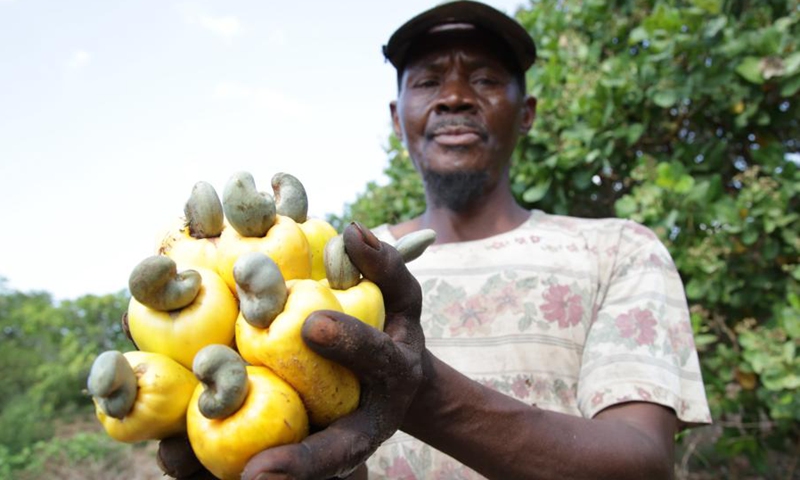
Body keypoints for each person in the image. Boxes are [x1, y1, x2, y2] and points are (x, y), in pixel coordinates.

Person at [162, 2, 712, 479]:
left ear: (526, 115)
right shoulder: (333, 266)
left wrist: (422, 394)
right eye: (428, 81)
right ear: (397, 121)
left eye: (485, 79)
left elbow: (642, 463)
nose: (453, 97)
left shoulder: (619, 251)